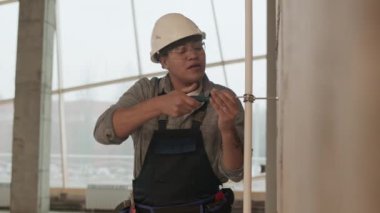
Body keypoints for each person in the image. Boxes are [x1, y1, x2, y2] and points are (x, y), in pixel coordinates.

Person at [94, 13, 244, 213]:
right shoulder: (146, 92)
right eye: (182, 51)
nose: (193, 55)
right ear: (163, 61)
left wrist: (227, 130)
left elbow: (235, 172)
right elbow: (103, 132)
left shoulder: (223, 100)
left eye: (198, 48)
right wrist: (157, 105)